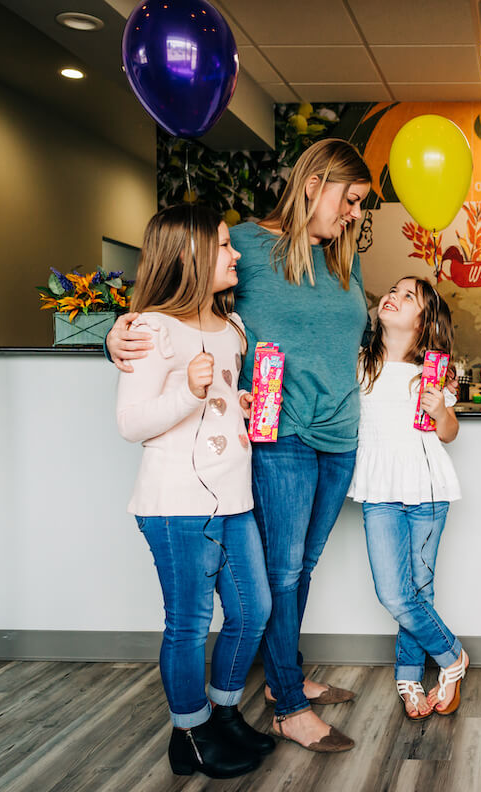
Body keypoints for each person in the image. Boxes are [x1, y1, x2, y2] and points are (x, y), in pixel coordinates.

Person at [107, 139, 372, 752]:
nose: (354, 214)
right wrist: (116, 336)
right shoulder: (245, 247)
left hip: (339, 433)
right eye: (350, 199)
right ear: (314, 184)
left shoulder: (343, 260)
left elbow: (347, 339)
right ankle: (289, 705)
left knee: (298, 569)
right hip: (279, 437)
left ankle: (283, 679)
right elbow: (177, 299)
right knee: (279, 572)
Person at [116, 204, 274, 779]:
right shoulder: (149, 329)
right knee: (187, 623)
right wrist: (187, 390)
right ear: (190, 256)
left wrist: (241, 406)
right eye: (226, 246)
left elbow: (219, 402)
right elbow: (131, 423)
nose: (236, 256)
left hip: (233, 498)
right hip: (175, 505)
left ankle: (223, 716)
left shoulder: (231, 328)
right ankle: (189, 733)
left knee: (252, 611)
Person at [349, 276, 469, 720]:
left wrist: (442, 411)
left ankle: (409, 676)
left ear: (423, 322)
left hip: (428, 489)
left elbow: (450, 434)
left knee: (419, 590)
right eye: (392, 290)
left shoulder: (433, 372)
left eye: (407, 296)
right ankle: (453, 657)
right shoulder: (360, 363)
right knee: (395, 594)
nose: (393, 297)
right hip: (378, 488)